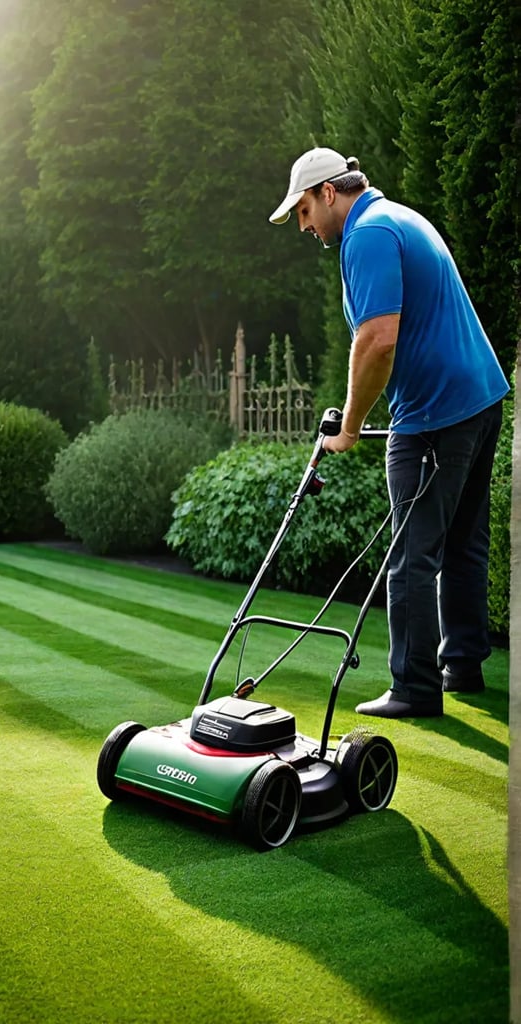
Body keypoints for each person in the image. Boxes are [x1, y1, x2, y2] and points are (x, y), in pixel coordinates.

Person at [269, 147, 509, 718]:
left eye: (303, 211)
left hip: (436, 414)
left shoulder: (368, 233)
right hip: (480, 399)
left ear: (329, 192)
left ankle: (414, 688)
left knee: (411, 554)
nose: (303, 226)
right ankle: (464, 665)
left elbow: (377, 340)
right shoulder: (398, 216)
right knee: (461, 542)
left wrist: (349, 428)